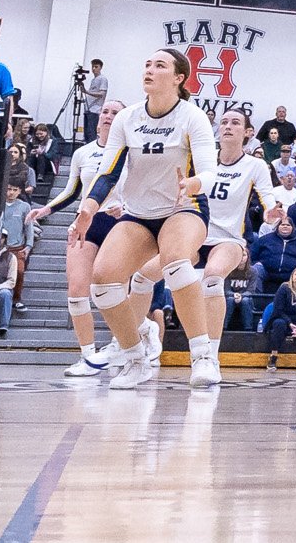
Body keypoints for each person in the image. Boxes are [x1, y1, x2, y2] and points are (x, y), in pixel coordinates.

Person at [84, 50, 221, 389]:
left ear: (178, 78)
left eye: (160, 65)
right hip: (139, 214)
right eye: (147, 64)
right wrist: (88, 208)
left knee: (176, 262)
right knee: (102, 281)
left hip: (184, 207)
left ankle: (202, 356)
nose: (150, 70)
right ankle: (135, 358)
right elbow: (108, 172)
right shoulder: (127, 118)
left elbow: (210, 172)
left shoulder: (192, 117)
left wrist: (192, 183)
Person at [34, 98, 126, 378]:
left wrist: (127, 207)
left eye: (115, 113)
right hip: (86, 222)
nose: (108, 116)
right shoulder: (83, 153)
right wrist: (47, 209)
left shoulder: (131, 153)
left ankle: (124, 346)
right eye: (105, 111)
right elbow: (72, 190)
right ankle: (88, 356)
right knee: (76, 289)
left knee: (113, 289)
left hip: (120, 223)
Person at [190, 108, 275, 353]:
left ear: (248, 132)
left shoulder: (255, 165)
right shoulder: (202, 160)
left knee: (213, 276)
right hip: (194, 235)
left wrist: (270, 211)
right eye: (224, 122)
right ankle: (140, 335)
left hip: (228, 239)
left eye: (235, 122)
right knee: (145, 275)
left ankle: (210, 354)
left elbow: (267, 196)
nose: (227, 126)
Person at [78, 58, 109, 142]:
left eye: (96, 67)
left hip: (95, 111)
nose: (94, 69)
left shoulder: (102, 79)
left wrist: (86, 92)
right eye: (93, 67)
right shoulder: (94, 80)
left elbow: (101, 94)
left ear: (100, 67)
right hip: (89, 109)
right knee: (87, 135)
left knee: (91, 134)